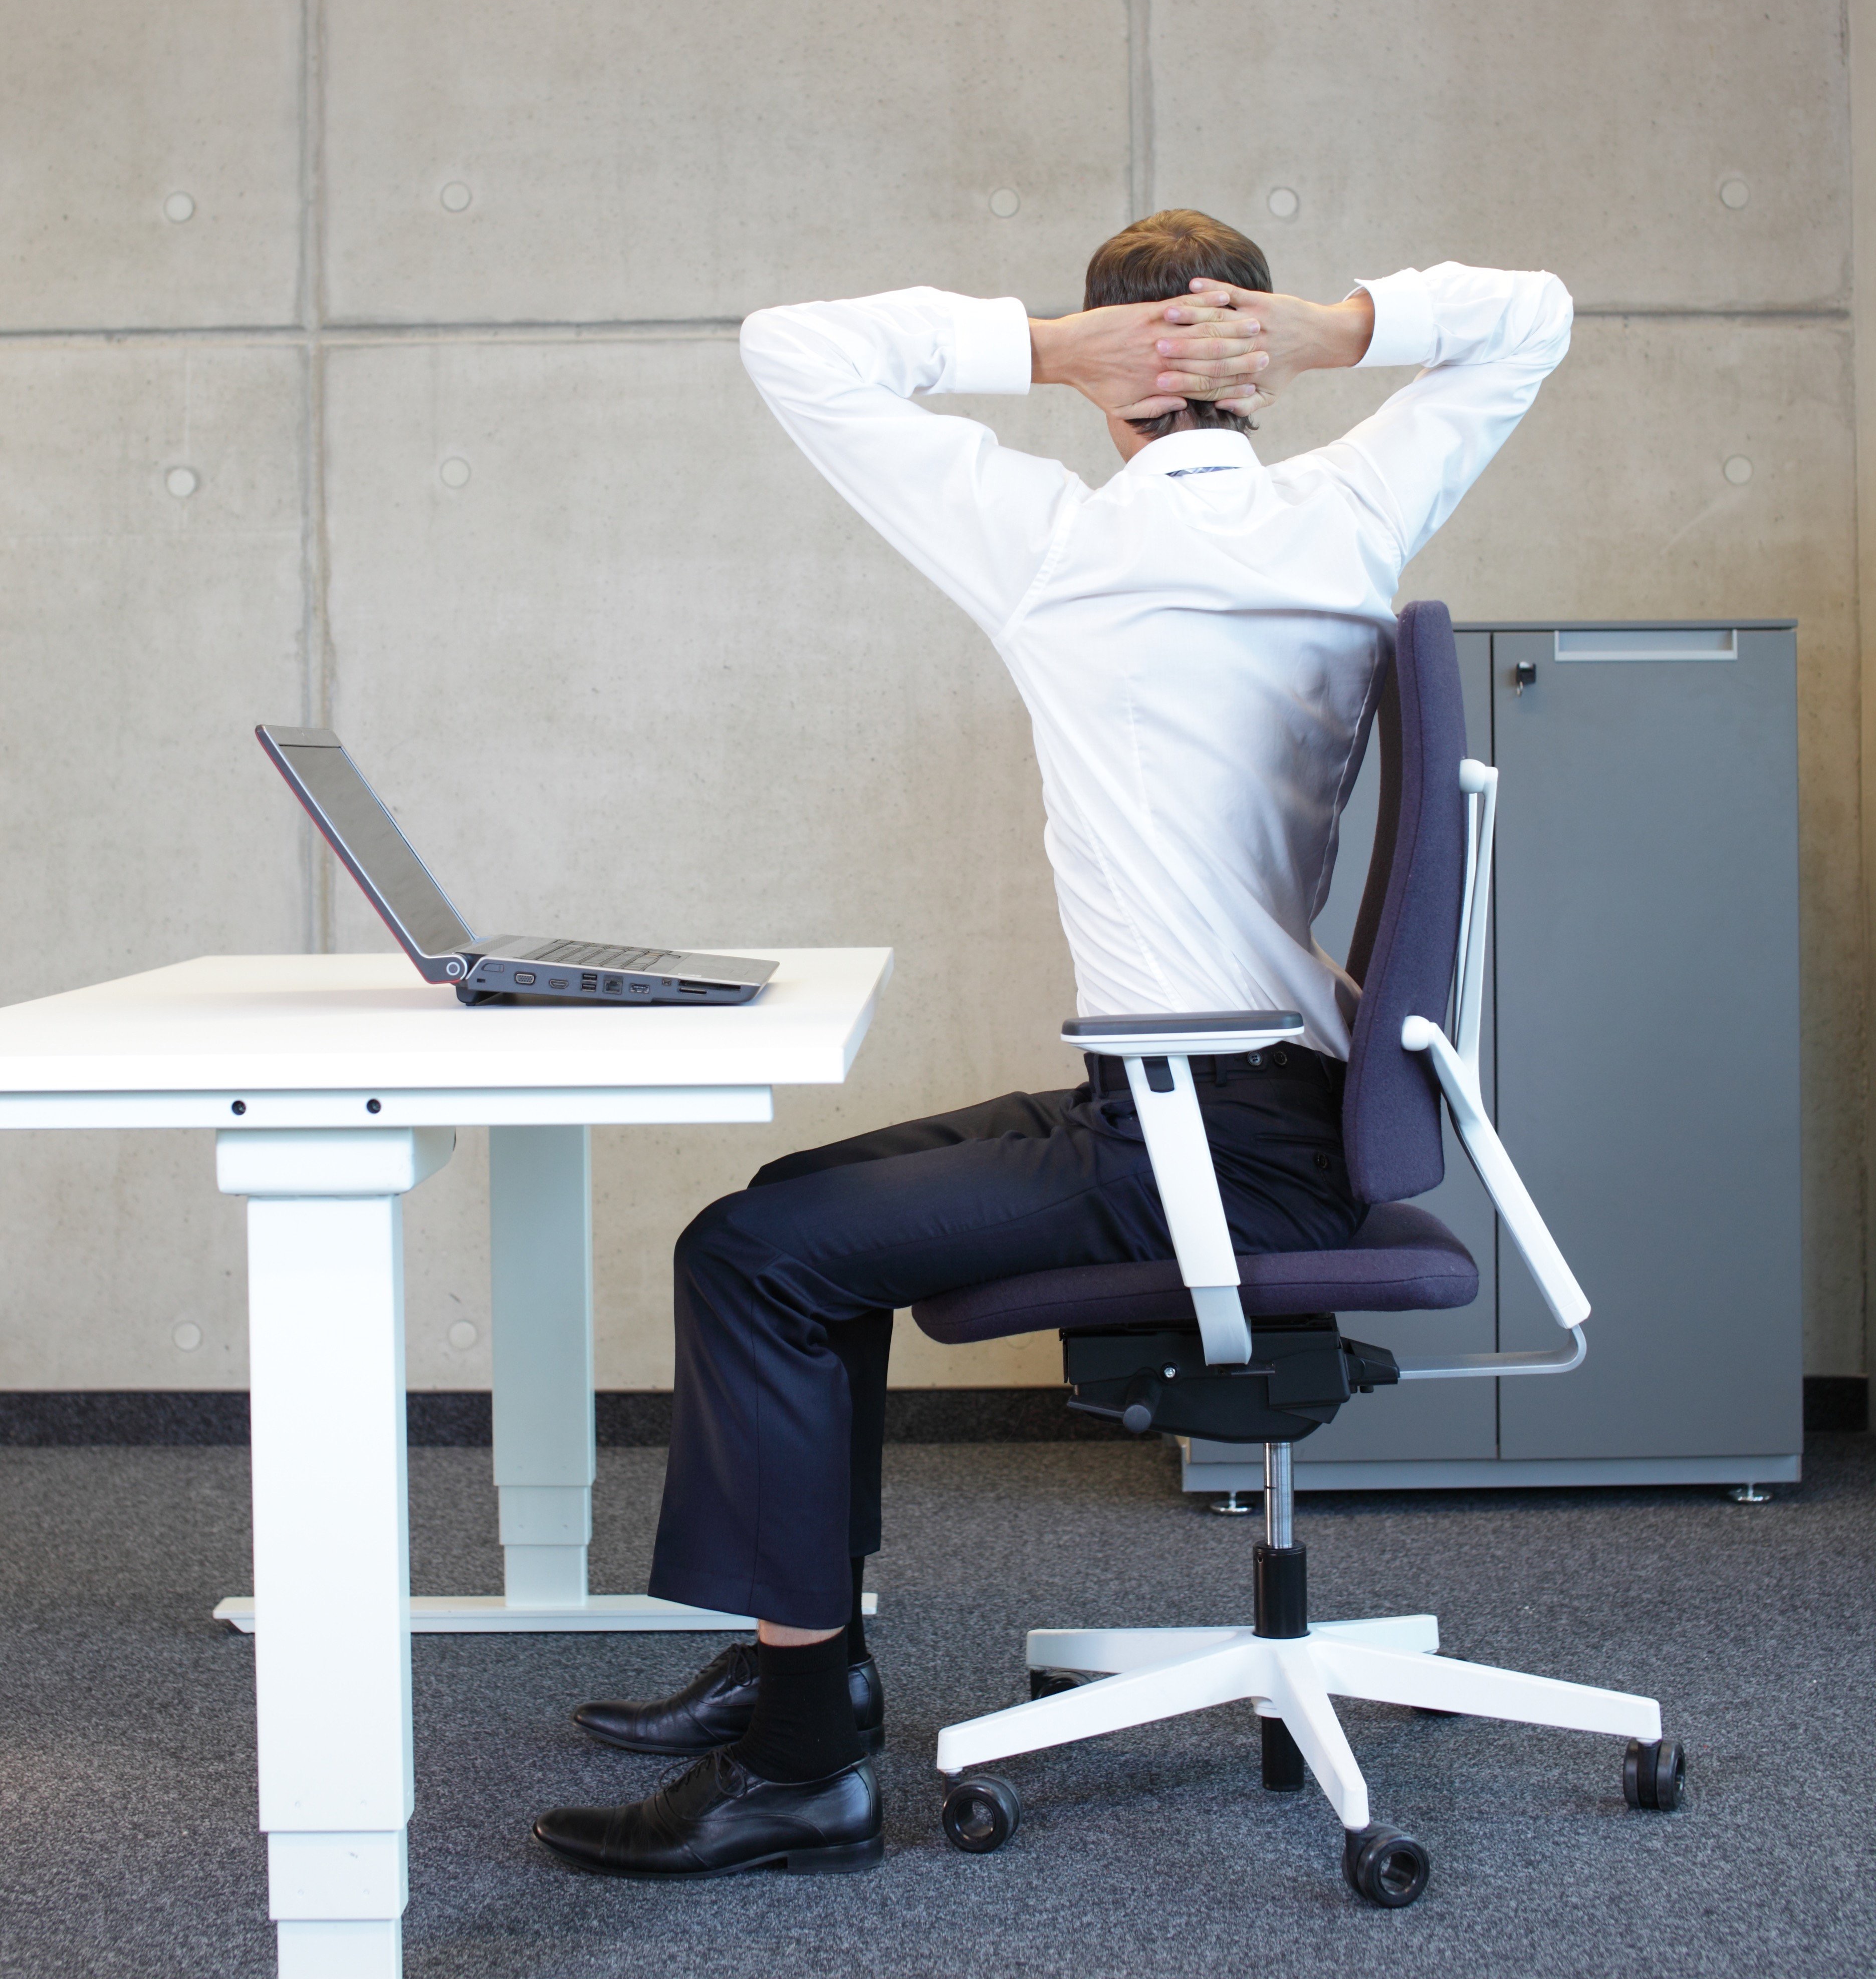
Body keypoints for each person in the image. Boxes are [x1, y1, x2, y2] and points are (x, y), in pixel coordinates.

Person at [532, 210, 1571, 1881]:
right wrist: (1332, 326)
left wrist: (1031, 348)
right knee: (803, 1195)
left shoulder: (1052, 542)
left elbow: (791, 343)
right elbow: (1534, 309)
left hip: (1197, 1145)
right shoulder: (1354, 504)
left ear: (1108, 386)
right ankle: (804, 1650)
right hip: (1268, 1111)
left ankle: (804, 1761)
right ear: (1255, 373)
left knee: (752, 1255)